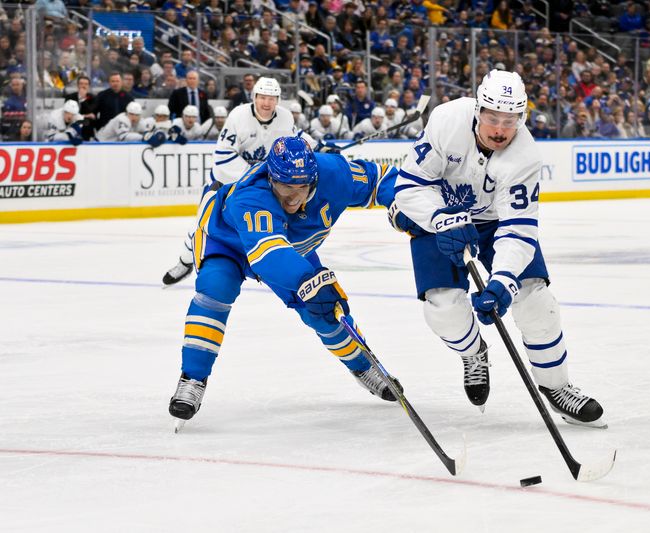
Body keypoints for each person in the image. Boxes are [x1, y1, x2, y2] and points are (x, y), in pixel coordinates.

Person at [393, 70, 606, 427]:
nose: (499, 130)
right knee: (443, 307)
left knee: (535, 301)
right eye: (492, 118)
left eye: (510, 121)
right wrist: (440, 218)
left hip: (493, 223)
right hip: (441, 213)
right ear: (478, 110)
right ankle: (474, 353)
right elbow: (410, 187)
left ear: (521, 118)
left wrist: (502, 282)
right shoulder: (446, 120)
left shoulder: (525, 156)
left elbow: (519, 229)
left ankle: (557, 387)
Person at [168, 135, 403, 428]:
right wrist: (310, 281)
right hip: (226, 240)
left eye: (300, 188)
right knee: (216, 290)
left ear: (314, 180)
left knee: (324, 312)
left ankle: (364, 367)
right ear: (270, 178)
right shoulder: (251, 195)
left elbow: (382, 180)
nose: (291, 198)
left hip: (288, 247)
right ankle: (192, 377)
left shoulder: (335, 173)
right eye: (283, 188)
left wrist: (401, 204)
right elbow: (269, 253)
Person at [162, 76, 314, 286]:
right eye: (262, 97)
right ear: (254, 97)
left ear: (277, 100)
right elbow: (223, 156)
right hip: (225, 183)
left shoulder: (285, 117)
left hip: (260, 186)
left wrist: (321, 147)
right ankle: (184, 261)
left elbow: (297, 139)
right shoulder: (238, 116)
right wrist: (253, 175)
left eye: (271, 98)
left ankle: (270, 263)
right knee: (201, 224)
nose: (267, 103)